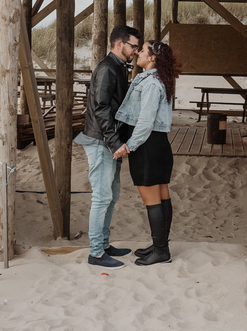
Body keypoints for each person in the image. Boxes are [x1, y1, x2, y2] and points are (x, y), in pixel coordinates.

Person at [75, 24, 141, 268]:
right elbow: (101, 109)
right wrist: (115, 143)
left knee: (111, 196)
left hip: (110, 141)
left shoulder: (118, 67)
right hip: (101, 141)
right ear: (119, 43)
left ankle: (103, 244)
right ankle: (95, 253)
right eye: (133, 46)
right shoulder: (107, 69)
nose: (136, 51)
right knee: (102, 197)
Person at [112, 40, 180, 266]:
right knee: (162, 195)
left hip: (147, 145)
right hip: (158, 144)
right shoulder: (159, 79)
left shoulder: (151, 83)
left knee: (152, 200)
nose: (138, 52)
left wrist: (129, 145)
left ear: (153, 58)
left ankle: (161, 251)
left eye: (142, 50)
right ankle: (161, 245)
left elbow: (145, 121)